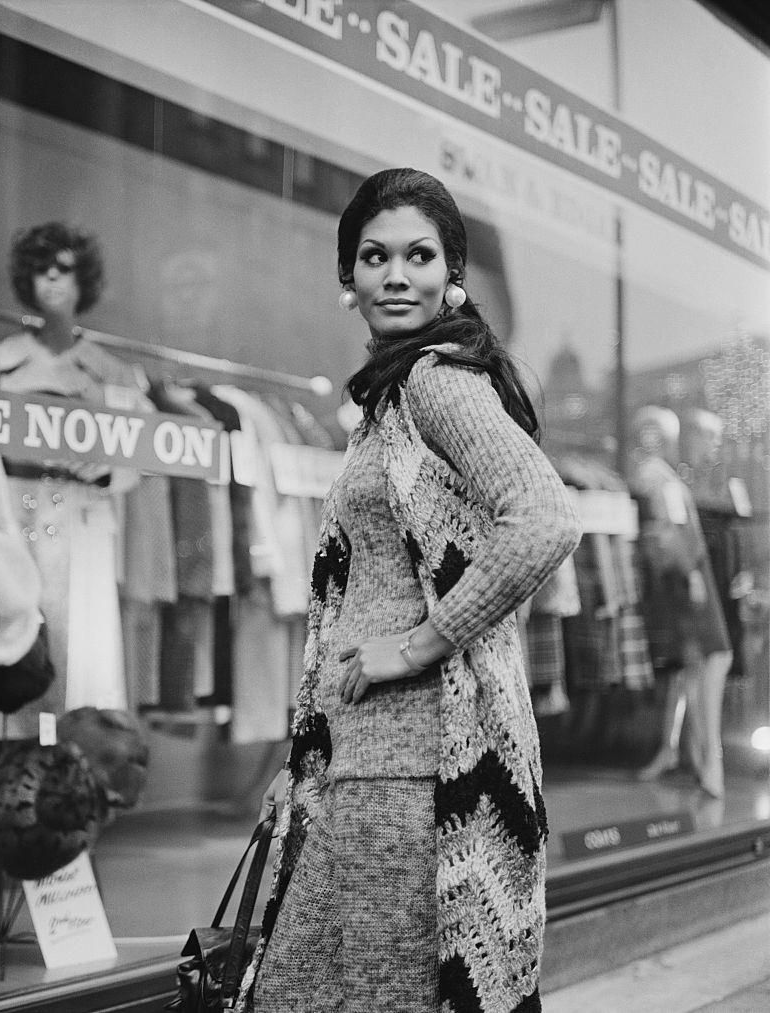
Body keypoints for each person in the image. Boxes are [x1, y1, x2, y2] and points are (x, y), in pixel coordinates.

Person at [242, 168, 582, 1013]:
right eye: (375, 255)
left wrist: (421, 642)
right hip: (368, 761)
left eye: (419, 255)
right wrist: (307, 756)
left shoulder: (435, 380)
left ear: (451, 275)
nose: (396, 273)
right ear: (347, 281)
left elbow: (543, 517)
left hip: (410, 767)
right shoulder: (394, 396)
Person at [0, 221, 147, 736]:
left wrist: (109, 467)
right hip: (14, 512)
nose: (52, 283)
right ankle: (15, 757)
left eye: (64, 271)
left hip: (83, 521)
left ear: (82, 281)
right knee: (15, 633)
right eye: (41, 271)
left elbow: (139, 457)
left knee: (78, 648)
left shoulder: (110, 373)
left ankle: (75, 757)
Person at [631, 405, 732, 798]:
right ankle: (710, 765)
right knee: (711, 661)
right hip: (688, 581)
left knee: (696, 668)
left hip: (686, 579)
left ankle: (690, 755)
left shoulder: (659, 477)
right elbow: (669, 533)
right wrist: (690, 573)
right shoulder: (659, 478)